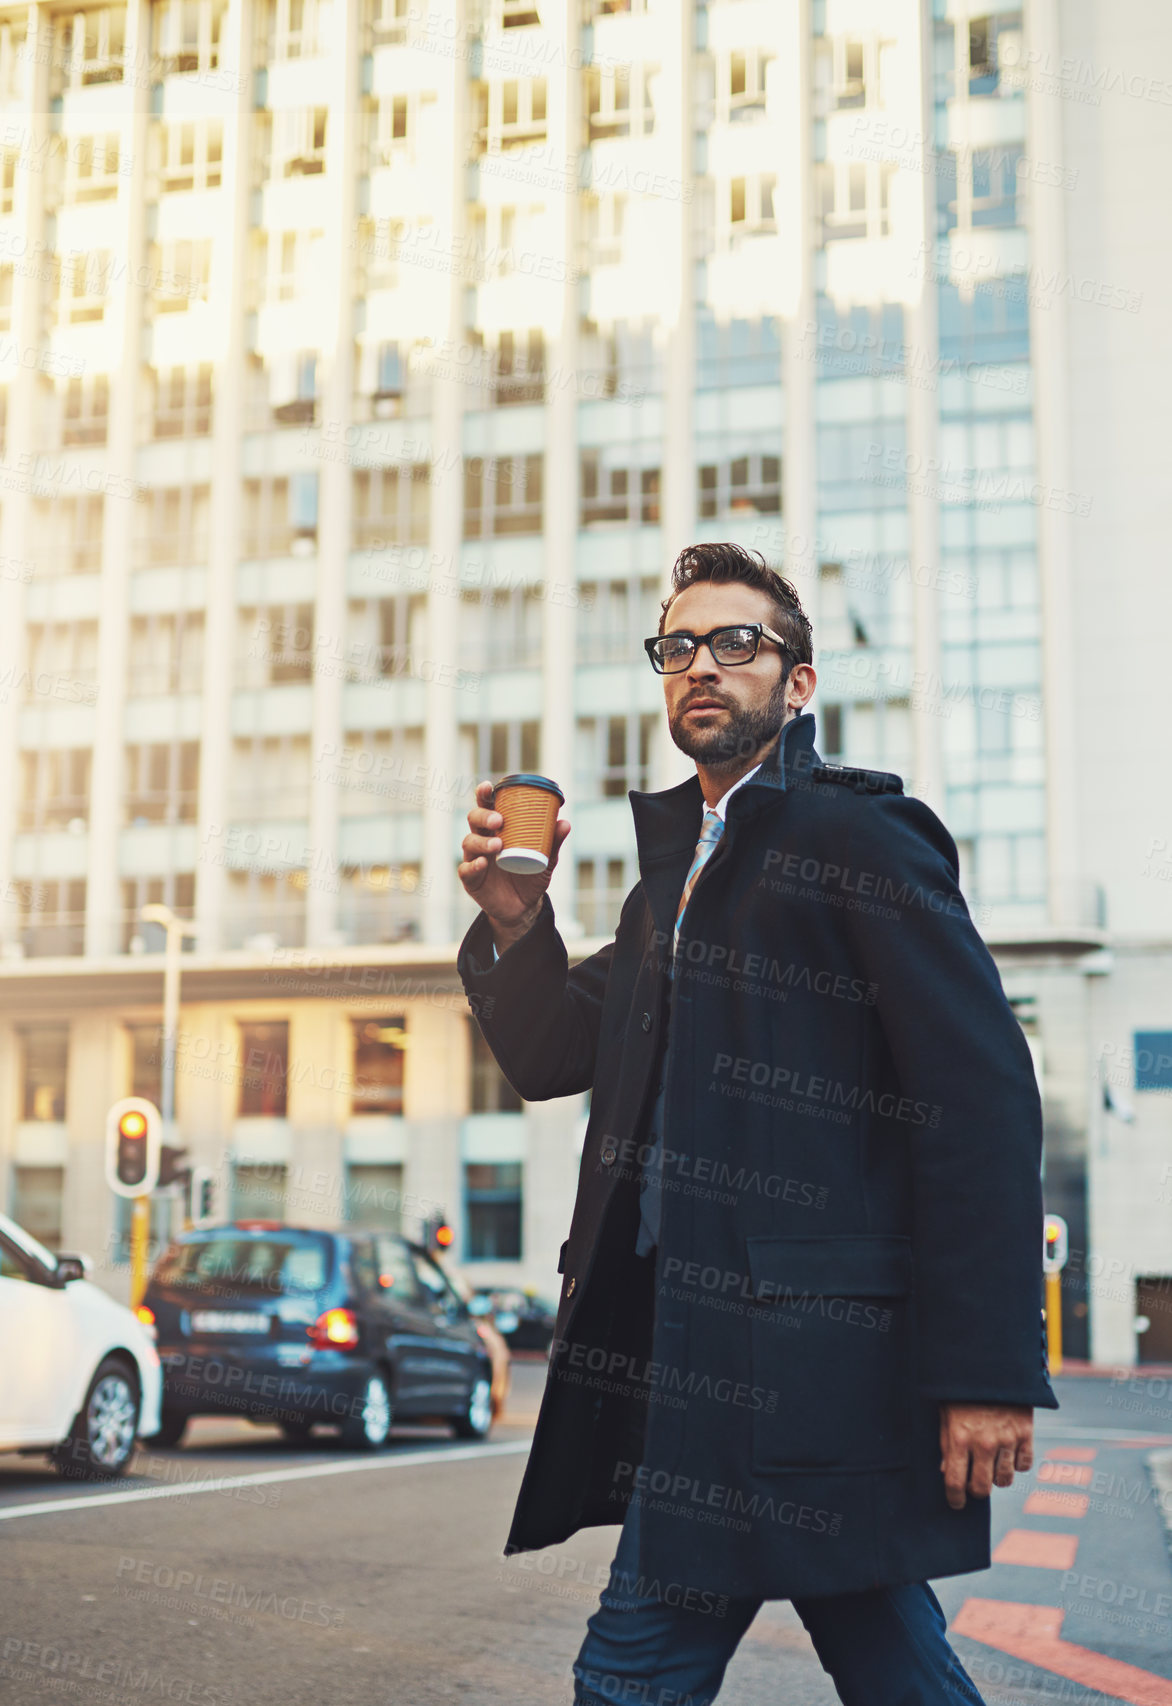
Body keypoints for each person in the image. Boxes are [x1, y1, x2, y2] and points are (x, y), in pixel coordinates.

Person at [456, 542, 1058, 1706]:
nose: (702, 665)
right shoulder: (661, 890)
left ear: (796, 684)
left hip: (824, 1371)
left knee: (638, 1672)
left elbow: (979, 1102)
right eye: (678, 645)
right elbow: (549, 1056)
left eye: (737, 643)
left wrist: (985, 1369)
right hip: (687, 1363)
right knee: (874, 1650)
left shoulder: (860, 841)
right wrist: (514, 923)